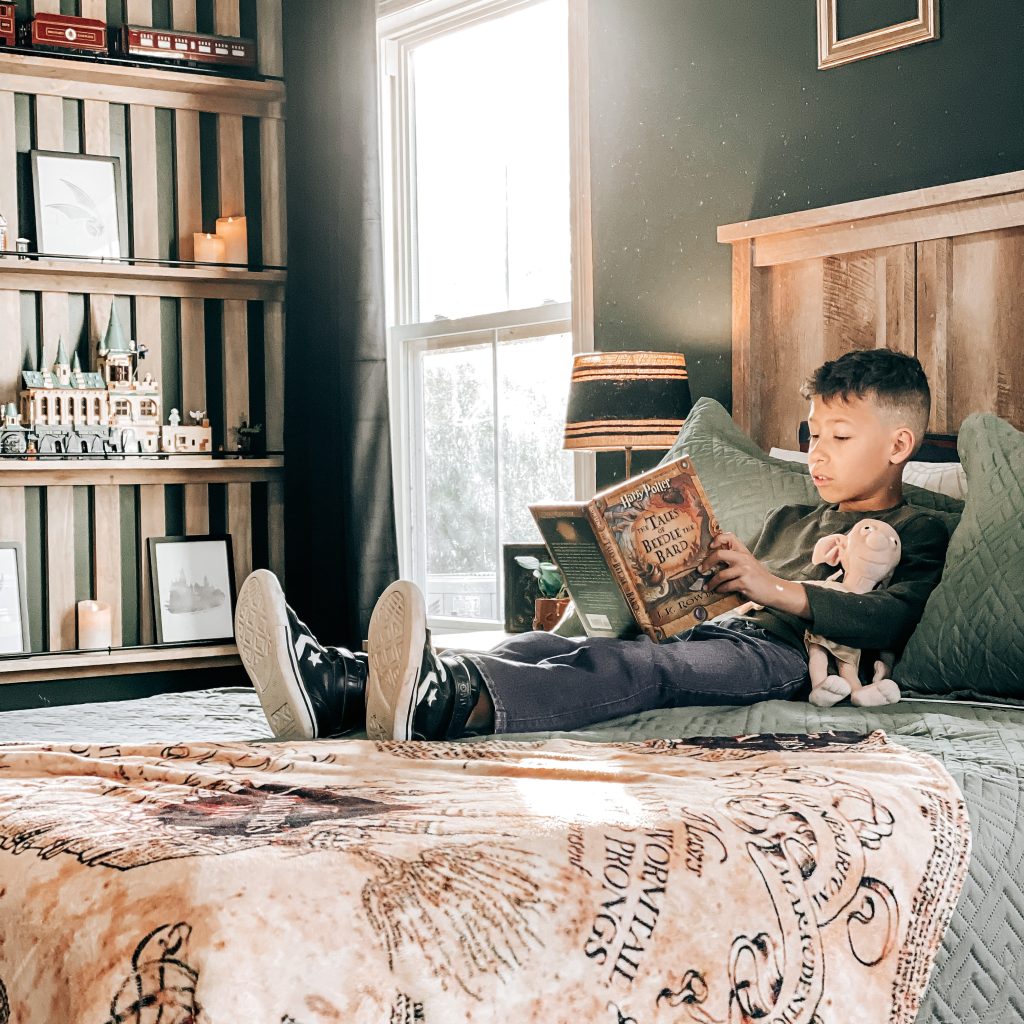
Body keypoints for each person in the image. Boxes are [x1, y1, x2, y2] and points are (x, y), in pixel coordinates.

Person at [234, 348, 950, 743]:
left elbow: (890, 617)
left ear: (898, 445)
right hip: (725, 633)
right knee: (535, 647)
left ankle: (445, 703)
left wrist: (775, 590)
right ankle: (342, 685)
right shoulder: (794, 513)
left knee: (631, 669)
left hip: (786, 660)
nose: (818, 452)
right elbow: (726, 596)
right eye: (813, 435)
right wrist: (664, 586)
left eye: (840, 438)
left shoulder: (921, 529)